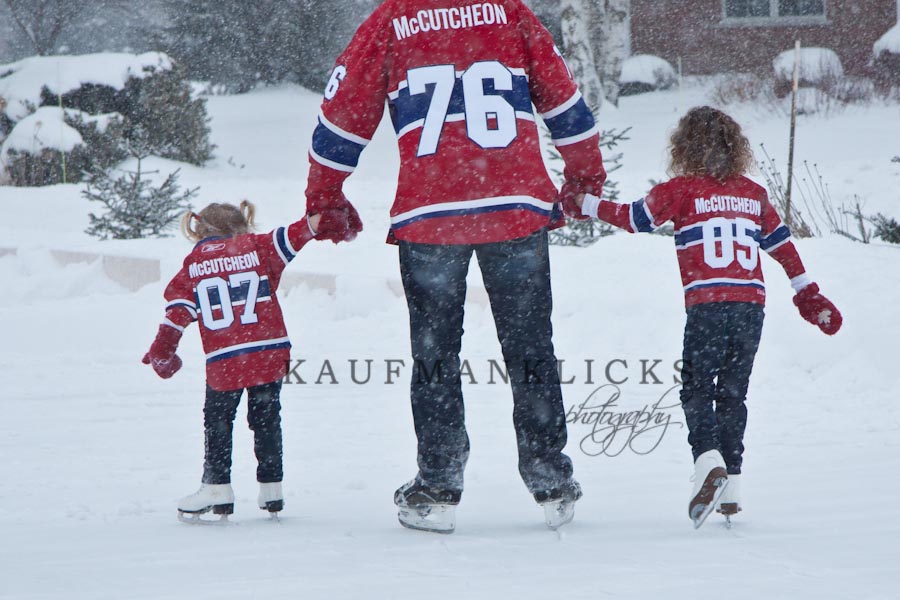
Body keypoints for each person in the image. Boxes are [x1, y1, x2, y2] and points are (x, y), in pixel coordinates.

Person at [304, 0, 606, 533]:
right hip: (514, 205)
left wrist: (325, 195)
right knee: (530, 345)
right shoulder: (510, 13)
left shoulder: (392, 20)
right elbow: (565, 101)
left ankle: (438, 485)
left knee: (435, 352)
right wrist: (584, 176)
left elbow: (343, 113)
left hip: (431, 213)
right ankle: (551, 478)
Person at [571, 106, 842, 528]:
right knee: (733, 394)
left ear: (684, 147)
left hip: (708, 305)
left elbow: (633, 219)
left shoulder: (681, 190)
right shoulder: (752, 193)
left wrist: (586, 203)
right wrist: (806, 290)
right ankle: (731, 487)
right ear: (735, 147)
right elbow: (782, 245)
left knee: (696, 389)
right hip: (751, 307)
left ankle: (708, 460)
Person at [142, 201, 333, 522]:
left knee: (218, 421)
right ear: (243, 225)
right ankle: (272, 488)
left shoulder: (193, 265)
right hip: (268, 352)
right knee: (267, 418)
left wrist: (163, 353)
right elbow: (302, 230)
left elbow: (175, 317)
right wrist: (325, 211)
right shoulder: (260, 247)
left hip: (225, 359)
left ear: (198, 230)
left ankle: (217, 486)